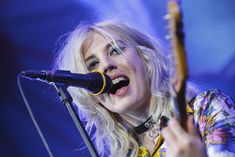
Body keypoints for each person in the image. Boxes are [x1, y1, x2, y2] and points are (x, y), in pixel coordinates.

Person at [53, 20, 235, 157]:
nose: (105, 66)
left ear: (145, 58)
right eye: (92, 65)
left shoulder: (206, 109)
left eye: (115, 50)